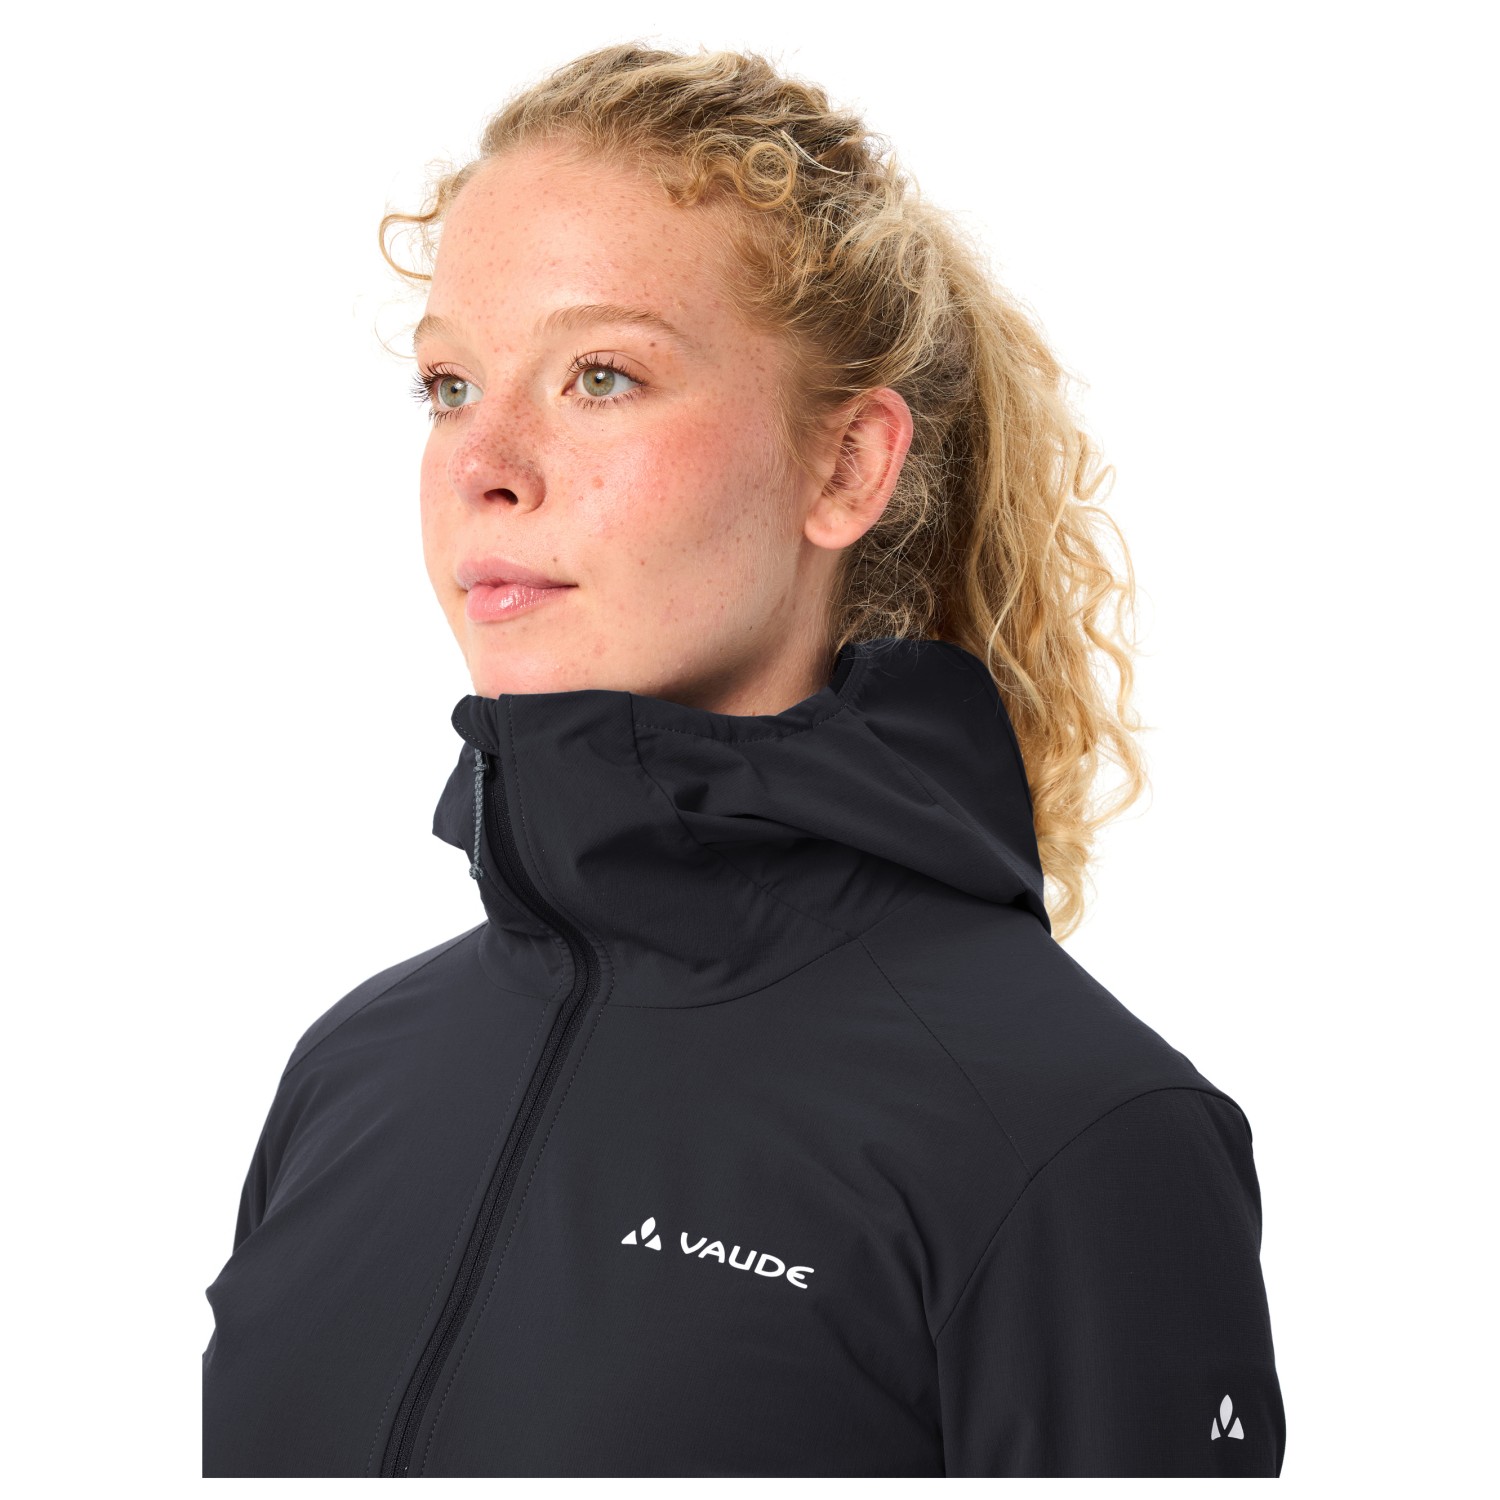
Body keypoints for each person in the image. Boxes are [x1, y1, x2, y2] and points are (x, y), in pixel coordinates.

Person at [200, 42, 1286, 1478]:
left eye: (600, 375)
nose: (485, 463)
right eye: (449, 385)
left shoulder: (1067, 1128)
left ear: (846, 466)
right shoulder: (356, 1072)